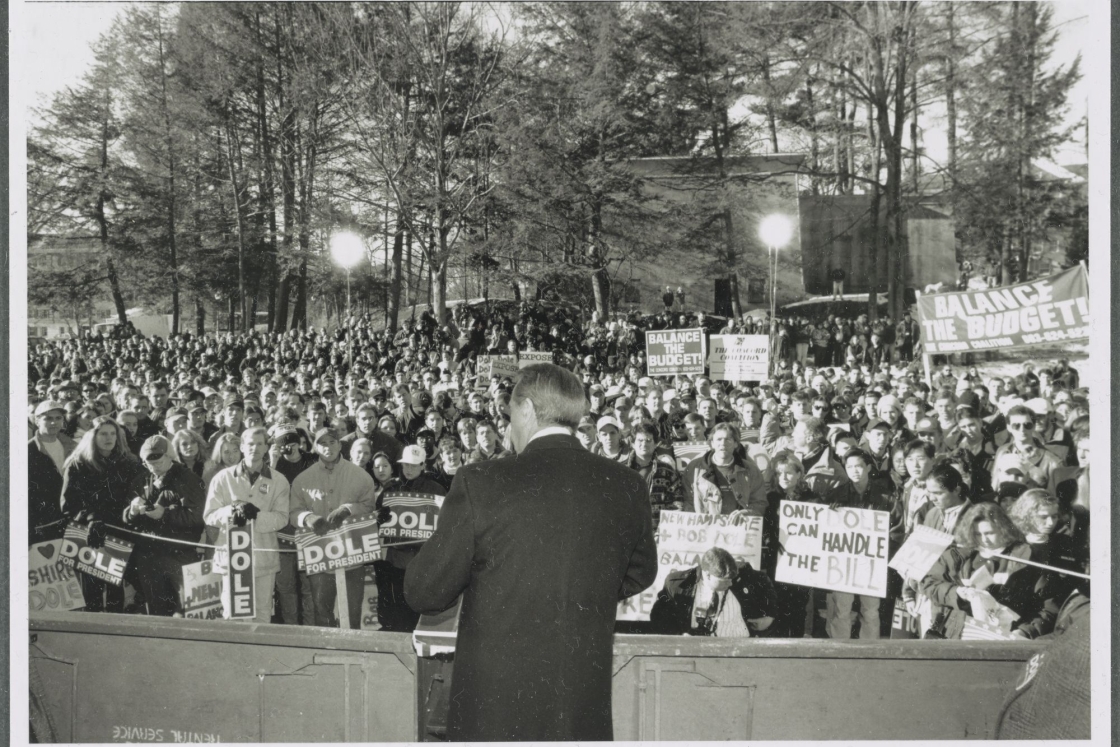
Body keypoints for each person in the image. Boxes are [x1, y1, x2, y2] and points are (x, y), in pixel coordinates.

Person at [404, 363, 658, 741]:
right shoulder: (626, 485)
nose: (509, 428)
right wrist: (577, 593)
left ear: (525, 409)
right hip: (578, 705)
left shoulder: (481, 482)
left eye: (509, 416)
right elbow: (642, 572)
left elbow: (424, 590)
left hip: (494, 708)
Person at [290, 427, 377, 628]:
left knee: (353, 610)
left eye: (332, 442)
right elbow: (293, 512)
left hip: (352, 555)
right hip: (320, 556)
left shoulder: (360, 476)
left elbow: (370, 507)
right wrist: (308, 518)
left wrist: (348, 509)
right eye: (322, 443)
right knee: (322, 610)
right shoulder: (303, 479)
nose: (328, 447)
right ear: (315, 447)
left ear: (340, 444)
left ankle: (352, 652)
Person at [203, 427, 291, 623]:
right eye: (250, 444)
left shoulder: (279, 481)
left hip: (263, 560)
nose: (255, 448)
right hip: (231, 559)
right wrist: (231, 511)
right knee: (233, 616)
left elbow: (282, 517)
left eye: (260, 444)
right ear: (242, 447)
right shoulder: (222, 478)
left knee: (261, 615)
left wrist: (256, 517)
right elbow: (209, 515)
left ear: (267, 447)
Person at [59, 416, 142, 612]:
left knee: (116, 594)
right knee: (92, 596)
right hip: (89, 535)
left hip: (118, 533)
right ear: (92, 436)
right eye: (103, 433)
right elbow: (68, 504)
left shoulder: (129, 463)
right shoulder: (78, 463)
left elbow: (133, 498)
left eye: (113, 433)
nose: (109, 438)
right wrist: (90, 519)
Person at [122, 435, 207, 616]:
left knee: (187, 609)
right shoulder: (140, 480)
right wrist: (132, 511)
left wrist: (165, 514)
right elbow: (125, 519)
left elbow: (198, 518)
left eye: (159, 461)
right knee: (156, 611)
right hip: (149, 556)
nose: (154, 467)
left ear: (170, 456)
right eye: (149, 463)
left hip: (180, 554)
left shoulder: (189, 479)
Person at [650, 546, 778, 637]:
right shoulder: (678, 584)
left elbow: (768, 594)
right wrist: (680, 636)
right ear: (707, 574)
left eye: (732, 579)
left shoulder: (749, 577)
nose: (730, 583)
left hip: (738, 650)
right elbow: (659, 619)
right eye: (724, 581)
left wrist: (768, 617)